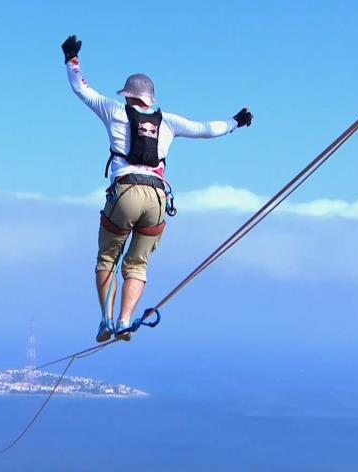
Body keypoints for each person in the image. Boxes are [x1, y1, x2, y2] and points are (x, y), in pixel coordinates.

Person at [62, 35, 253, 343]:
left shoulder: (114, 111)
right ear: (151, 99)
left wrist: (72, 58)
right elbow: (207, 130)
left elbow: (80, 88)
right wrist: (236, 121)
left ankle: (106, 320)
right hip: (157, 199)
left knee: (107, 258)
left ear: (128, 96)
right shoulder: (168, 122)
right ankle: (124, 321)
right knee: (137, 264)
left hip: (125, 193)